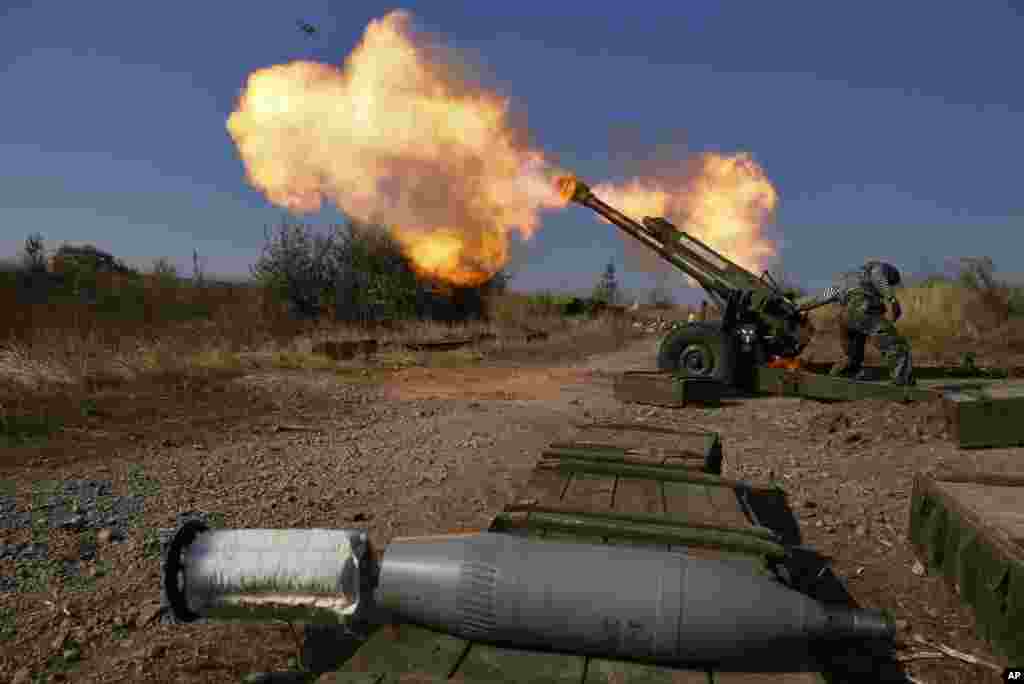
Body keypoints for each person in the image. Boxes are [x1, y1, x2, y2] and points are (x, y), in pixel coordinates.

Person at [796, 261, 914, 385]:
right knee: (895, 345)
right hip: (862, 309)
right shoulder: (877, 268)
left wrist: (796, 306)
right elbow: (879, 278)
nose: (890, 285)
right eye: (891, 282)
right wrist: (892, 299)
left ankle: (836, 382)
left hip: (845, 318)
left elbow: (820, 298)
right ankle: (904, 382)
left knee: (852, 357)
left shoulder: (846, 279)